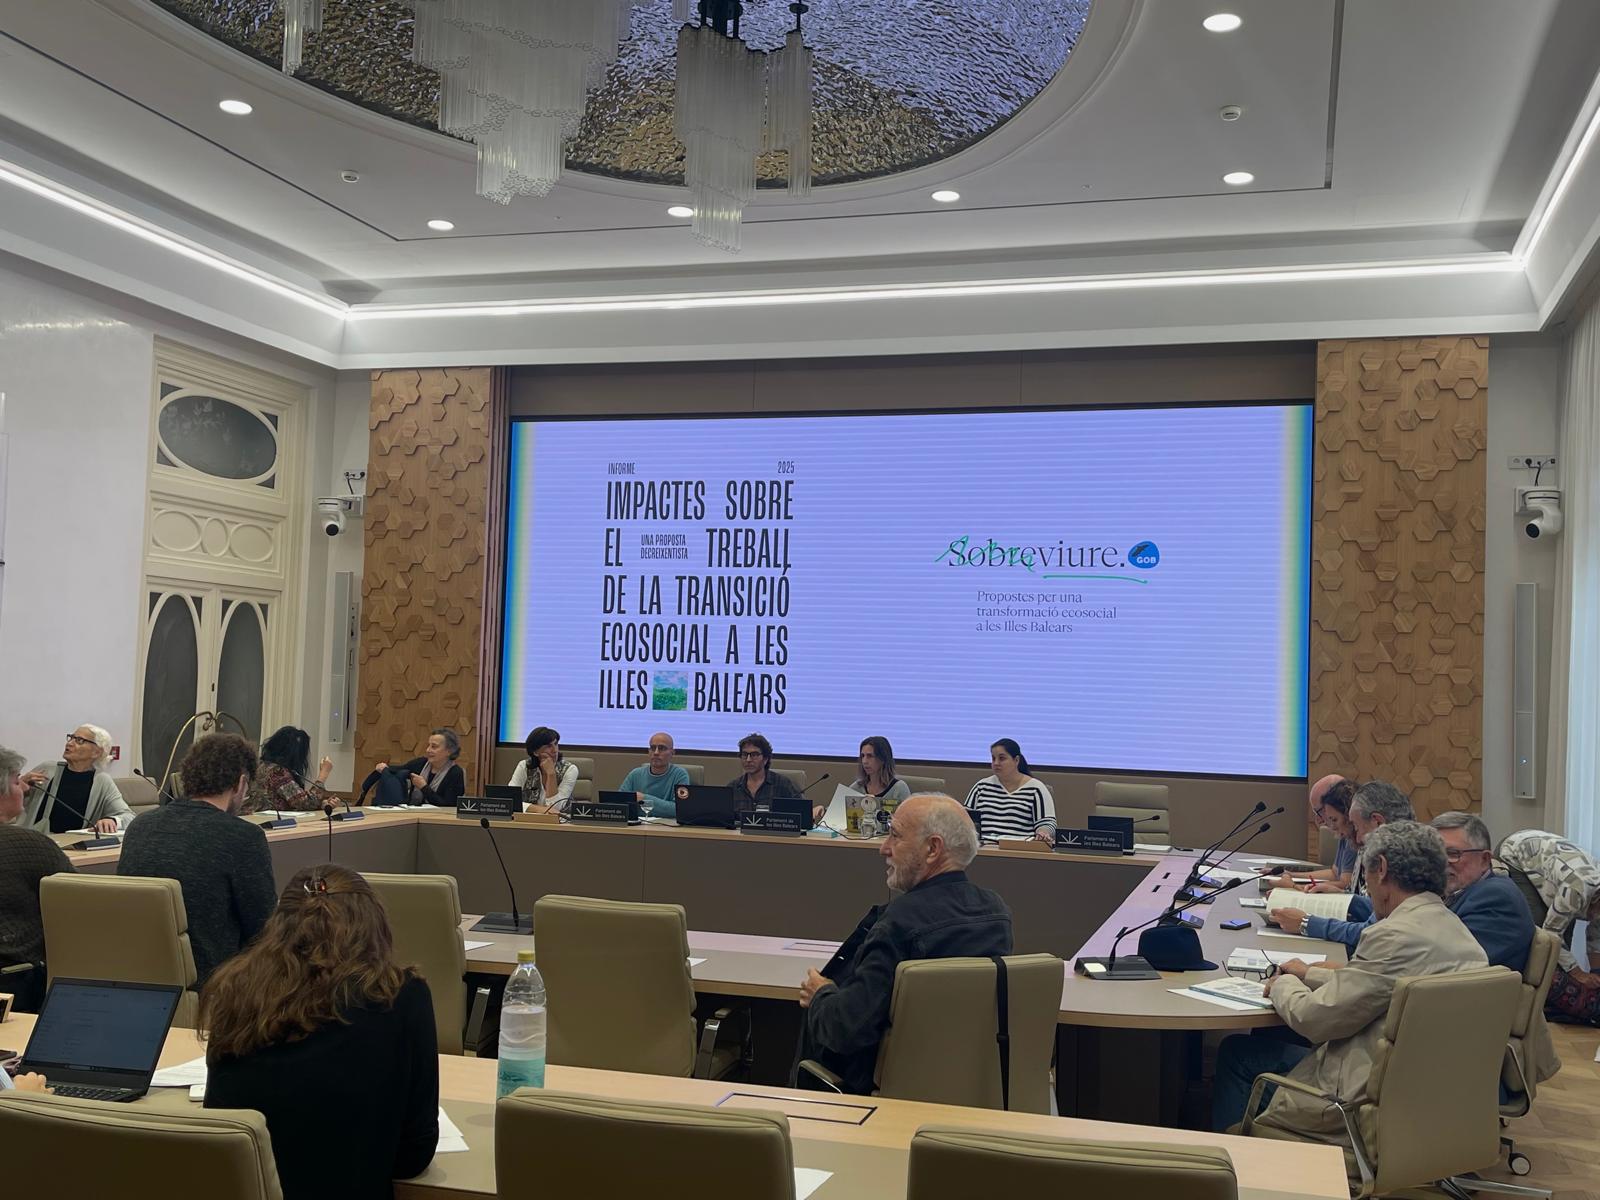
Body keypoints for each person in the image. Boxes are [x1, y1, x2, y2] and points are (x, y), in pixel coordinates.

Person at [1212, 821, 1488, 1137]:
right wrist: (1308, 974)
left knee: (1238, 1054)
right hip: (1424, 1099)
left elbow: (1315, 1019)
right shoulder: (1456, 930)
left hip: (1355, 1103)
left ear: (1381, 869)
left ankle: (1238, 1153)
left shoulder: (1393, 935)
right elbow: (1377, 985)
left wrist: (1282, 983)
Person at [201, 865, 438, 1200]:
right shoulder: (400, 996)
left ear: (277, 923)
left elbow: (219, 1127)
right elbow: (414, 1155)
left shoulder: (234, 989)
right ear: (374, 925)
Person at [796, 794, 1012, 1094]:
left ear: (932, 849)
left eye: (895, 836)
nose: (884, 848)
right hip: (972, 1089)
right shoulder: (997, 914)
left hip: (879, 1100)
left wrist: (821, 994)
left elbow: (846, 1029)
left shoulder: (899, 923)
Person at [117, 733, 277, 985]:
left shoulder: (140, 826)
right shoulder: (243, 836)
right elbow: (263, 929)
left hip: (139, 979)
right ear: (241, 783)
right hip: (216, 985)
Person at [1269, 780, 1414, 947]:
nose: (1357, 838)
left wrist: (1306, 923)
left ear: (1377, 822)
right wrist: (1346, 898)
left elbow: (1370, 932)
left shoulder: (1401, 864)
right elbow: (1375, 912)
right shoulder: (1396, 853)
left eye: (1357, 827)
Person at [0, 745, 75, 1012]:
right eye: (16, 781)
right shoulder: (31, 846)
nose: (24, 787)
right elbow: (82, 902)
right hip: (18, 987)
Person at [1431, 812, 1534, 973]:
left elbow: (1449, 962)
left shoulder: (1496, 897)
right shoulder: (1461, 890)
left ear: (1485, 859)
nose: (1441, 862)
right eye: (1435, 854)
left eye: (1452, 854)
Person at [1495, 828, 1600, 972]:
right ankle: (1526, 976)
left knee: (1565, 929)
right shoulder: (1577, 889)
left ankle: (1556, 978)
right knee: (1537, 927)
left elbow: (1596, 940)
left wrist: (1596, 975)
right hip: (1515, 851)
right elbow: (1551, 933)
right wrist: (1577, 973)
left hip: (1553, 862)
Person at [19, 724, 133, 834]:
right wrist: (20, 785)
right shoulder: (47, 769)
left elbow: (128, 816)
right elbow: (14, 801)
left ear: (96, 752)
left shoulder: (102, 781)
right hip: (35, 839)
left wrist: (113, 821)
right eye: (71, 738)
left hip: (75, 844)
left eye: (79, 740)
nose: (69, 743)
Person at [1262, 776, 1355, 893]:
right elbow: (1334, 873)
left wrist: (1294, 887)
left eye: (1319, 811)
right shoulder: (1343, 832)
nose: (1318, 820)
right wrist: (1291, 875)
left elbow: (1346, 885)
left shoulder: (1352, 834)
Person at [963, 739, 1055, 845]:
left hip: (1019, 847)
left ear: (1016, 760)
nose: (996, 763)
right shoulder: (981, 787)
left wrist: (1043, 832)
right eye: (993, 758)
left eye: (1002, 758)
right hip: (985, 846)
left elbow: (1047, 822)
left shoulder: (1036, 788)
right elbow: (965, 818)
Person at [365, 729, 465, 808]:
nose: (428, 750)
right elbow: (400, 769)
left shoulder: (455, 773)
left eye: (434, 747)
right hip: (413, 816)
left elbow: (449, 807)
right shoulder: (420, 763)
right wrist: (384, 767)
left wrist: (424, 788)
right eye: (428, 746)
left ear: (449, 751)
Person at [245, 725, 333, 815]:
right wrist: (323, 774)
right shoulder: (277, 772)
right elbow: (305, 802)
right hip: (266, 821)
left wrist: (322, 804)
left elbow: (293, 801)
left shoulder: (261, 765)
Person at [619, 731, 689, 819]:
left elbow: (680, 809)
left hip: (666, 826)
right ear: (648, 752)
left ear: (672, 753)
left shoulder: (679, 775)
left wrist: (644, 798)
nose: (656, 752)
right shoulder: (635, 774)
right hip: (638, 825)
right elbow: (619, 803)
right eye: (652, 748)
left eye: (661, 748)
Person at [730, 732, 804, 815]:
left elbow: (802, 812)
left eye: (754, 755)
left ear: (765, 759)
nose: (748, 760)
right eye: (744, 754)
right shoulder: (733, 787)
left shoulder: (783, 785)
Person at [509, 726, 578, 812]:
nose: (555, 750)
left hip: (560, 819)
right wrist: (540, 810)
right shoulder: (524, 766)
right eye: (549, 746)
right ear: (535, 752)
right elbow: (510, 800)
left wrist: (551, 774)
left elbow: (556, 808)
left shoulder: (570, 770)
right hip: (528, 818)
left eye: (556, 744)